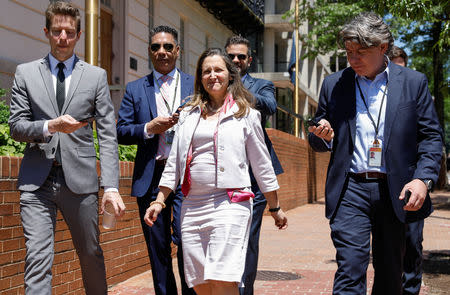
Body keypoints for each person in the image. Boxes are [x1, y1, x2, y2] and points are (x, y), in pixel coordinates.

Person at [308, 12, 442, 294]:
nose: (353, 59)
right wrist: (324, 136)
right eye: (349, 52)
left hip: (395, 190)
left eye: (361, 52)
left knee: (391, 274)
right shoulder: (334, 84)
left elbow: (431, 138)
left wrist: (422, 179)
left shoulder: (413, 83)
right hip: (350, 189)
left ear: (383, 48)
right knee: (350, 268)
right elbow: (318, 137)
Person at [143, 48, 288, 295]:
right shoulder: (188, 115)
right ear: (200, 78)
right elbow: (175, 162)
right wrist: (159, 201)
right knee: (200, 284)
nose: (212, 76)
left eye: (218, 70)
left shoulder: (247, 114)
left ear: (230, 75)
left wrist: (275, 207)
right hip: (192, 206)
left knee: (222, 279)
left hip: (230, 204)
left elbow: (262, 166)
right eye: (206, 71)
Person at [8, 1, 126, 294]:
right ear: (46, 32)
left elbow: (108, 135)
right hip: (37, 182)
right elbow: (16, 126)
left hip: (81, 183)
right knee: (37, 259)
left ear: (79, 34)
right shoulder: (25, 73)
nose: (63, 37)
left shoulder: (96, 76)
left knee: (90, 254)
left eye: (69, 32)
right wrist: (50, 126)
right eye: (57, 31)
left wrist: (111, 186)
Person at [116, 25, 195, 295]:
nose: (162, 52)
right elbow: (120, 131)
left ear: (178, 51)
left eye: (167, 47)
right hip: (152, 177)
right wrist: (149, 128)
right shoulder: (136, 88)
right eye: (155, 47)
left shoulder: (194, 85)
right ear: (150, 52)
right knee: (158, 249)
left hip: (188, 177)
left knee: (188, 243)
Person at [224, 35, 284, 295]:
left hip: (252, 178)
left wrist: (236, 88)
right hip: (222, 175)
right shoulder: (213, 82)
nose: (235, 60)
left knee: (248, 239)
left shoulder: (262, 85)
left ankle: (244, 291)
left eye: (241, 56)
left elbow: (270, 106)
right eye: (231, 56)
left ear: (249, 60)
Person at [390, 45, 425, 295]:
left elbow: (430, 136)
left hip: (413, 181)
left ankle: (411, 289)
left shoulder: (416, 90)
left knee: (413, 241)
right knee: (388, 245)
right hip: (383, 183)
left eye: (400, 63)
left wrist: (424, 177)